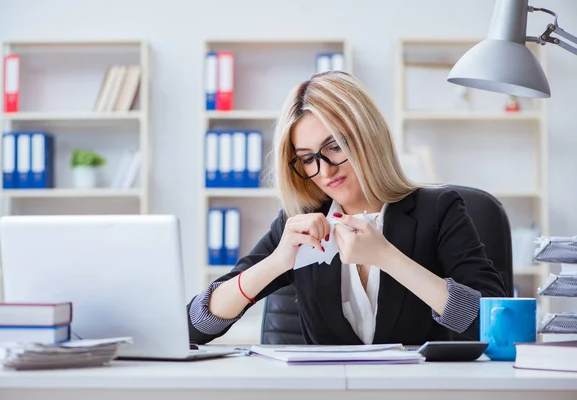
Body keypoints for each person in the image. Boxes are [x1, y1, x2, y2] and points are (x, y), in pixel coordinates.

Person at [187, 71, 506, 345]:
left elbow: (497, 323)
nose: (324, 171)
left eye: (335, 147)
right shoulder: (300, 222)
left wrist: (388, 258)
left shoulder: (438, 210)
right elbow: (197, 323)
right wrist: (276, 263)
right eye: (308, 159)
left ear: (369, 137)